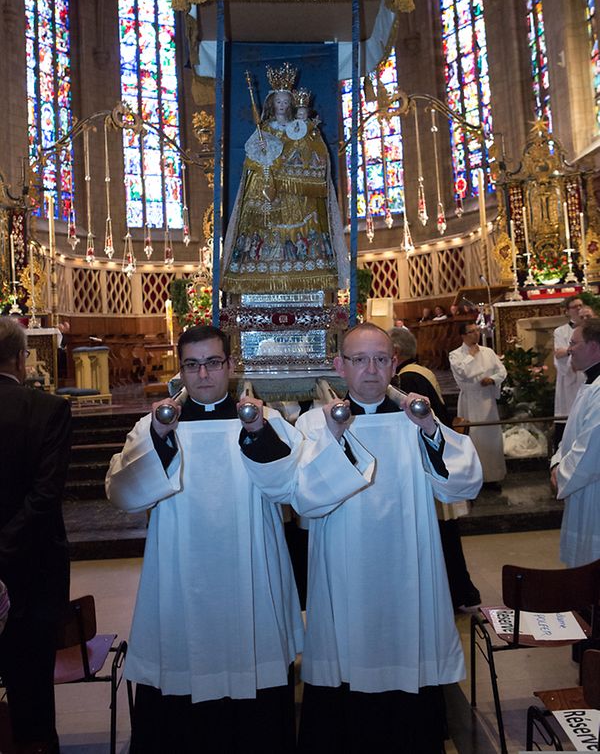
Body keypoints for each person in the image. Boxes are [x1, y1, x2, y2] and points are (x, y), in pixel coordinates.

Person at [105, 325, 304, 754]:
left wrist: (256, 435)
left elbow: (291, 487)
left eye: (213, 363)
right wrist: (159, 439)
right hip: (181, 575)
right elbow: (121, 491)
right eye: (193, 365)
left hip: (249, 572)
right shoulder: (156, 425)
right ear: (182, 370)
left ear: (230, 365)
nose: (204, 375)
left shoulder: (262, 421)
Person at [292, 323, 482, 753]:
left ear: (394, 363)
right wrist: (336, 442)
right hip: (344, 577)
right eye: (359, 359)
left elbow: (462, 483)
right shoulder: (314, 423)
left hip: (408, 575)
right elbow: (303, 499)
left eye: (380, 359)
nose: (371, 369)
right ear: (340, 366)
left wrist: (432, 429)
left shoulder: (414, 419)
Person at [0, 317, 71, 754]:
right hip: (32, 571)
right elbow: (44, 498)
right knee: (33, 697)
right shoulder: (49, 410)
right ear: (21, 358)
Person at [221, 64, 348, 294]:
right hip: (269, 187)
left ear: (291, 104)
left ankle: (306, 267)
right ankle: (261, 269)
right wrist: (262, 152)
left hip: (296, 193)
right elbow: (251, 161)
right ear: (272, 103)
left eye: (286, 102)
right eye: (278, 102)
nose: (282, 106)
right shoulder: (265, 128)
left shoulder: (299, 128)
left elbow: (313, 155)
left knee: (302, 226)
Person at [389, 326, 481, 611]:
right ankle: (461, 592)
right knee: (447, 537)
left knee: (442, 540)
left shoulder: (407, 378)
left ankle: (454, 595)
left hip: (431, 465)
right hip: (437, 458)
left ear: (395, 353)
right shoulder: (421, 371)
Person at [550, 318, 600, 568]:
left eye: (574, 343)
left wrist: (563, 473)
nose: (569, 349)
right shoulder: (589, 384)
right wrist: (556, 463)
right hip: (582, 484)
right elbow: (571, 435)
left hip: (594, 489)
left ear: (594, 346)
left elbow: (593, 443)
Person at [449, 322, 507, 487]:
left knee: (491, 439)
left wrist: (492, 380)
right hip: (470, 400)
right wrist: (471, 356)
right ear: (463, 336)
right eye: (471, 332)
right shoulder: (455, 355)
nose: (476, 334)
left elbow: (501, 371)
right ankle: (475, 478)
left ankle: (493, 476)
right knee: (473, 439)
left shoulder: (488, 351)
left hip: (487, 401)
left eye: (476, 331)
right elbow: (464, 373)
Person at [553, 298, 584, 445]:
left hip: (589, 374)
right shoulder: (561, 331)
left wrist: (570, 350)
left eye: (581, 306)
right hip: (570, 377)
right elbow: (559, 353)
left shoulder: (592, 329)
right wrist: (575, 350)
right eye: (574, 307)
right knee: (570, 413)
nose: (578, 309)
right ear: (567, 311)